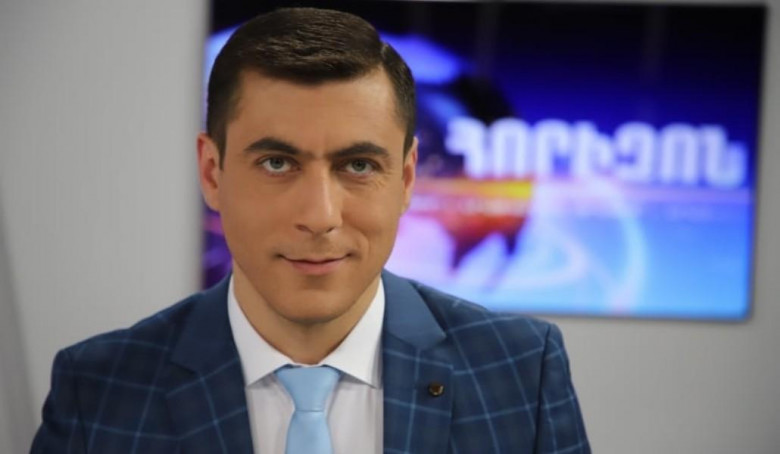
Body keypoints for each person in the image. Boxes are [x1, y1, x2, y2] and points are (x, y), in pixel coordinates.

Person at [31, 7, 589, 454]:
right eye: (277, 163)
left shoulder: (522, 373)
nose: (320, 215)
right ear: (212, 173)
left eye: (359, 165)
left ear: (406, 179)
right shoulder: (98, 390)